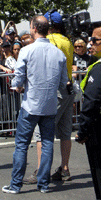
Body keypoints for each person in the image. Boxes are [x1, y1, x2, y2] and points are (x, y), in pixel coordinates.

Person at [2, 15, 68, 194]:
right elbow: (63, 83)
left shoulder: (27, 50)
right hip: (49, 106)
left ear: (33, 28)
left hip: (30, 105)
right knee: (47, 144)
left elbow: (18, 79)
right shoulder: (58, 53)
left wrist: (17, 86)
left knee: (22, 145)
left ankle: (16, 185)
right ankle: (43, 185)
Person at [23, 9, 75, 184]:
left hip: (57, 90)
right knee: (65, 132)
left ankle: (40, 171)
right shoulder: (67, 41)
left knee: (42, 133)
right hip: (69, 89)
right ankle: (64, 169)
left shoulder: (51, 41)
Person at [75, 26, 101, 200]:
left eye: (95, 40)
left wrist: (82, 131)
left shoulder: (98, 69)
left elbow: (91, 102)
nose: (91, 43)